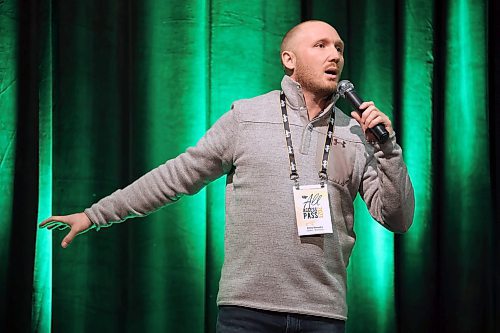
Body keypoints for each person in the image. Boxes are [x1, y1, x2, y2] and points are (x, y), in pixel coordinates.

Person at [40, 20, 414, 333]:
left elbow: (397, 218)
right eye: (320, 45)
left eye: (339, 48)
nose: (335, 55)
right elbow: (175, 176)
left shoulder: (355, 133)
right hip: (247, 313)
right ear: (289, 59)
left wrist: (388, 150)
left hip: (324, 316)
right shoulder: (246, 117)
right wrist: (95, 215)